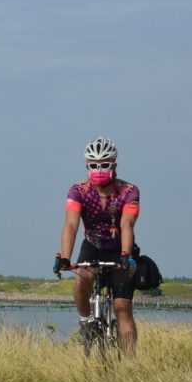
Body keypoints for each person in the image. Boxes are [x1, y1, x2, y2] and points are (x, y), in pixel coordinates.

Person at [53, 136, 141, 355]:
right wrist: (65, 257)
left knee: (122, 307)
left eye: (104, 165)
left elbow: (127, 223)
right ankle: (86, 322)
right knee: (82, 276)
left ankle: (130, 364)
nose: (98, 169)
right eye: (93, 165)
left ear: (114, 165)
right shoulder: (78, 191)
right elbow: (71, 224)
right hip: (92, 244)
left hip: (121, 248)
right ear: (87, 166)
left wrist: (125, 255)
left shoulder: (129, 191)